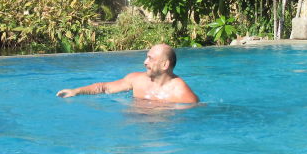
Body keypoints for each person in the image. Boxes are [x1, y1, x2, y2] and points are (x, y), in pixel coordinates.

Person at [56, 43, 199, 104]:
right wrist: (76, 91)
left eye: (150, 58)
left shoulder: (182, 94)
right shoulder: (136, 79)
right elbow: (104, 88)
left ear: (165, 65)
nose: (145, 62)